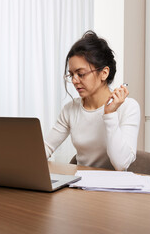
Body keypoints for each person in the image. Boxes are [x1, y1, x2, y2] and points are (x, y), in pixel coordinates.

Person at [44, 30, 140, 171]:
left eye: (81, 74)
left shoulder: (129, 107)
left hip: (116, 189)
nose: (75, 80)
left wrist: (109, 114)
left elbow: (121, 164)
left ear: (104, 73)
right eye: (72, 74)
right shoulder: (71, 109)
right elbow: (46, 147)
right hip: (81, 186)